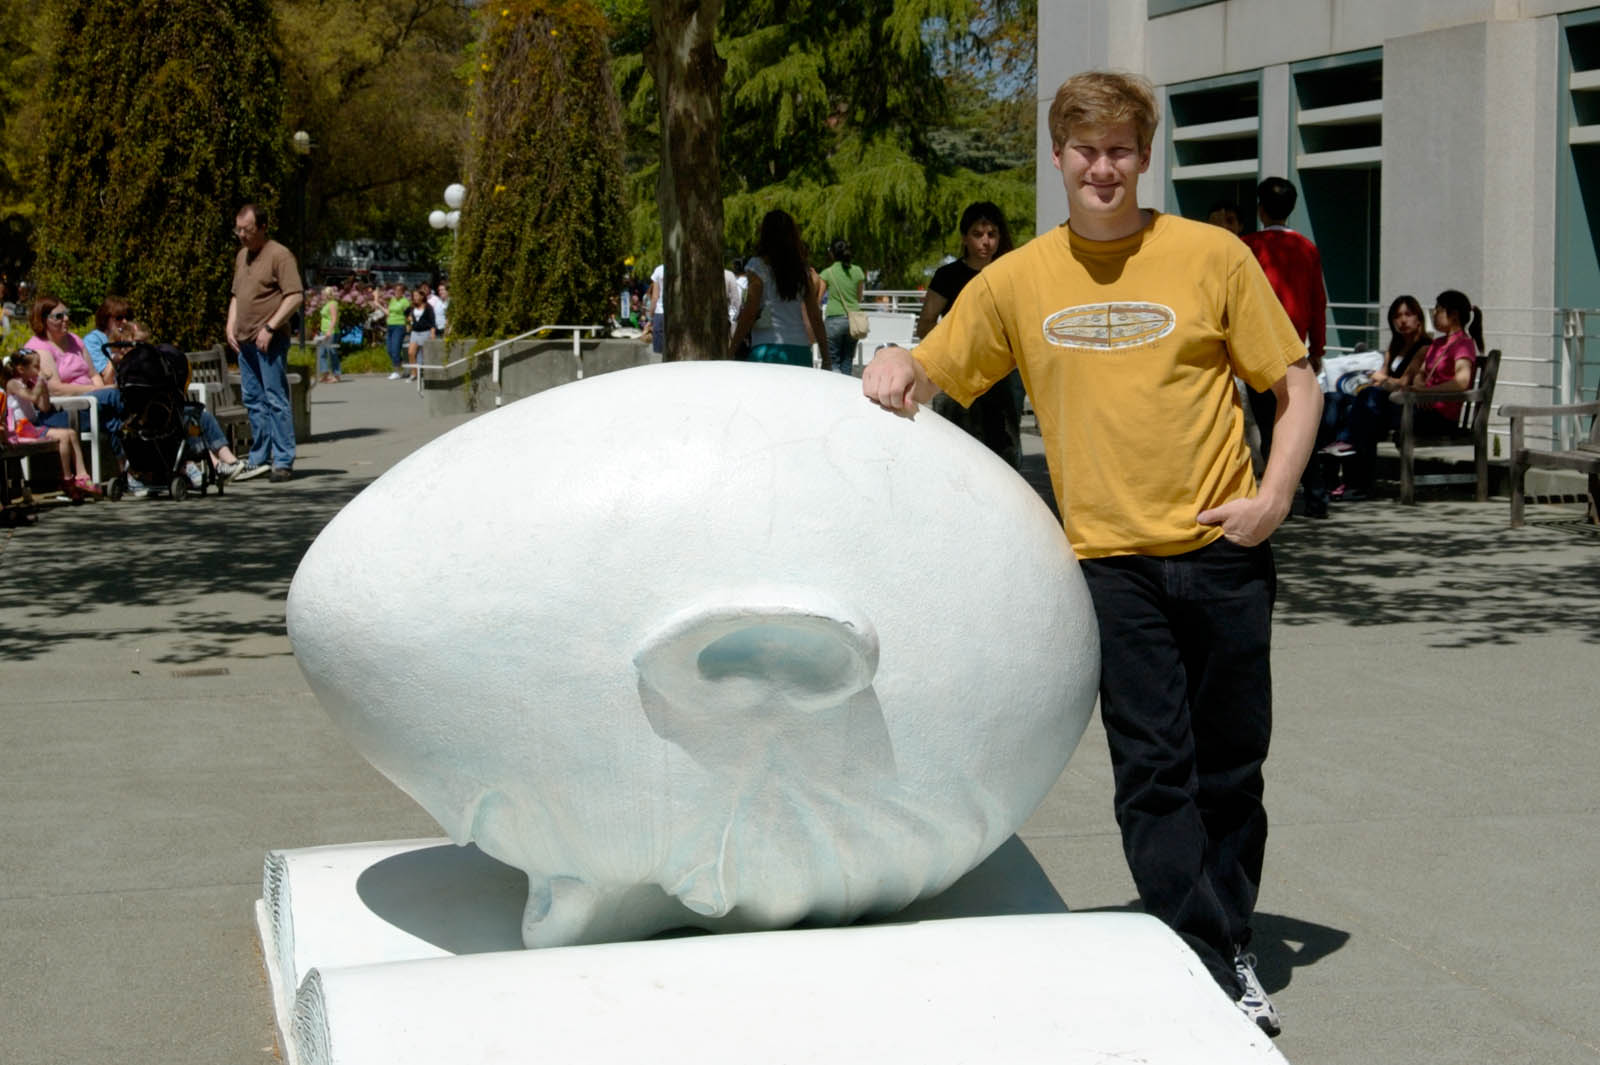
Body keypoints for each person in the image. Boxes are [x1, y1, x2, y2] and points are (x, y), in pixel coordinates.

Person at [860, 70, 1320, 1038]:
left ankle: (1224, 935)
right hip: (1110, 568)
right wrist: (897, 359)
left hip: (1224, 551)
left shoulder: (1211, 256)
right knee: (1153, 770)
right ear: (1058, 157)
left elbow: (1295, 385)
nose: (1101, 168)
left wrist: (1273, 499)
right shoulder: (1018, 279)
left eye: (1118, 150)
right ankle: (1201, 957)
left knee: (1230, 768)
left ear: (1143, 156)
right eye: (1084, 150)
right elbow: (934, 369)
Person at [1325, 290, 1481, 500]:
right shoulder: (1437, 344)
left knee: (1367, 406)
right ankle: (1354, 482)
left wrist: (1426, 393)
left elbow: (1462, 381)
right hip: (1419, 408)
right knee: (1364, 409)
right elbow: (1421, 375)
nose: (1434, 315)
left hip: (1439, 416)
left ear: (1453, 315)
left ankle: (1352, 472)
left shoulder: (1463, 344)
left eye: (1437, 310)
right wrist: (1419, 387)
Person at [1239, 177, 1330, 517]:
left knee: (1269, 427)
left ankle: (1281, 502)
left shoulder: (1247, 246)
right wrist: (1318, 348)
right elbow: (1317, 301)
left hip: (1259, 351)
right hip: (1295, 350)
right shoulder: (1307, 248)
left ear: (1260, 209)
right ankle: (1317, 496)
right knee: (1302, 423)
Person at [916, 202, 1025, 468]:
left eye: (992, 234)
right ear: (965, 238)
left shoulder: (1010, 274)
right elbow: (926, 321)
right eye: (978, 234)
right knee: (955, 448)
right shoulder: (947, 275)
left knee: (1005, 453)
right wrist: (942, 359)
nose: (985, 241)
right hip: (958, 373)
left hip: (1003, 375)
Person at [1319, 295, 1431, 498]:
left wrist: (1382, 380)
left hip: (1404, 407)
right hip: (1383, 404)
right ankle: (1330, 479)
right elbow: (1382, 379)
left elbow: (1403, 383)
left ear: (1418, 318)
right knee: (1334, 399)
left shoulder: (1423, 347)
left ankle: (1356, 481)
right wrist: (1378, 380)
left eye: (1408, 314)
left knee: (1363, 411)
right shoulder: (1394, 347)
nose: (1402, 320)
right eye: (1397, 316)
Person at [225, 202, 303, 483]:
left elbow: (295, 296)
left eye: (247, 230)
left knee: (275, 398)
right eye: (238, 230)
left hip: (269, 340)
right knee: (253, 400)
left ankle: (283, 459)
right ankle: (259, 458)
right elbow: (237, 295)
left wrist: (270, 327)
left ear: (262, 228)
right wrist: (230, 325)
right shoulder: (242, 256)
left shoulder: (279, 255)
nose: (242, 235)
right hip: (245, 341)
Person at [729, 209, 827, 368]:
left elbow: (750, 313)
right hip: (800, 350)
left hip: (766, 349)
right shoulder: (802, 271)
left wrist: (732, 349)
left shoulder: (757, 266)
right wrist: (826, 358)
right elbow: (815, 317)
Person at [3, 348, 100, 498]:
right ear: (21, 369)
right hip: (19, 429)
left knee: (71, 433)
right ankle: (67, 479)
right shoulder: (13, 384)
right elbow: (32, 397)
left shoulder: (29, 384)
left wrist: (44, 387)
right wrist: (40, 380)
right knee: (63, 436)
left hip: (31, 427)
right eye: (36, 366)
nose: (39, 370)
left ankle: (82, 475)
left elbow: (44, 407)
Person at [819, 239, 867, 375]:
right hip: (853, 321)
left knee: (832, 361)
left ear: (832, 254)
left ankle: (835, 386)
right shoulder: (857, 271)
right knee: (847, 360)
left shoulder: (827, 273)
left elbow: (818, 298)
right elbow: (859, 298)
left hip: (834, 320)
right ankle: (845, 384)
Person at [83, 296, 132, 386]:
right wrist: (117, 355)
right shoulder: (93, 340)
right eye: (119, 318)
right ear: (105, 318)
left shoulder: (128, 337)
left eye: (127, 317)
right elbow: (106, 379)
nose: (125, 321)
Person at [405, 286, 437, 382]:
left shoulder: (428, 307)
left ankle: (426, 374)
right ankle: (414, 374)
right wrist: (409, 319)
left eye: (416, 295)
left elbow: (432, 322)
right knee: (411, 353)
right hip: (415, 332)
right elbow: (405, 313)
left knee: (424, 355)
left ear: (422, 297)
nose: (414, 297)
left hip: (425, 332)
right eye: (413, 296)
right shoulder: (412, 307)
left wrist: (432, 333)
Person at [313, 286, 342, 383]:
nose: (322, 296)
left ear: (327, 294)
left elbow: (334, 318)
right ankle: (325, 374)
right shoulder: (326, 304)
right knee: (321, 353)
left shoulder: (333, 304)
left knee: (332, 352)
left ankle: (336, 375)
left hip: (331, 332)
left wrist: (330, 330)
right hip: (323, 332)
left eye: (323, 294)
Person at [384, 282, 410, 380]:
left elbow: (408, 315)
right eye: (395, 290)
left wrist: (408, 325)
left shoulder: (405, 302)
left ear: (403, 292)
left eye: (399, 291)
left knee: (395, 349)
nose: (397, 292)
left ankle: (396, 372)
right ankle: (402, 363)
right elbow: (389, 312)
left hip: (399, 326)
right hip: (390, 326)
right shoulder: (392, 300)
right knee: (389, 350)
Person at [647, 263, 667, 357]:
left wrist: (651, 314)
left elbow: (655, 296)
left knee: (659, 352)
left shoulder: (659, 270)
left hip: (660, 312)